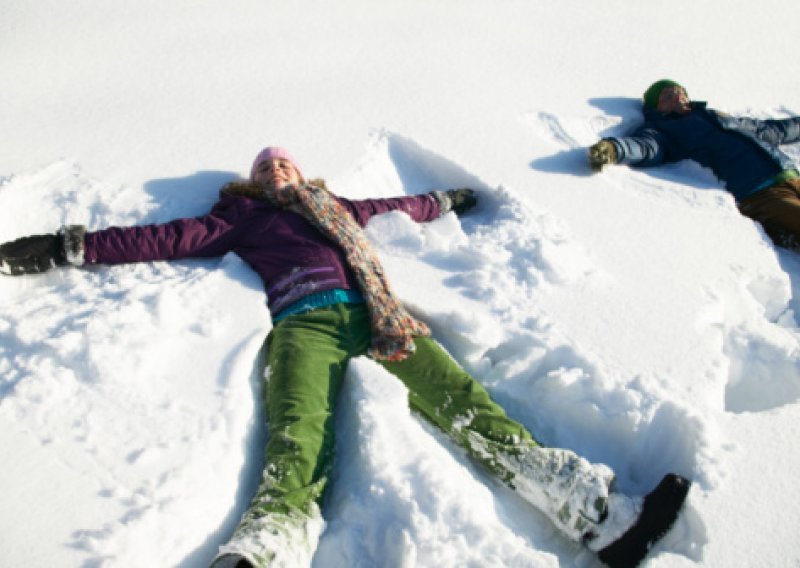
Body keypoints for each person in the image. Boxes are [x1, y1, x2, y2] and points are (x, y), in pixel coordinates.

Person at [0, 146, 690, 567]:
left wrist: (445, 200)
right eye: (264, 166)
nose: (275, 169)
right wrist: (68, 246)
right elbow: (159, 239)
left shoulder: (338, 207)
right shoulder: (238, 218)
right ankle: (263, 553)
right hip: (303, 326)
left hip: (380, 318)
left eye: (283, 162)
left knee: (466, 404)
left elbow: (401, 205)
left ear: (299, 169)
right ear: (253, 182)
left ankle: (603, 521)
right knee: (297, 437)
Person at [588, 80, 800, 249]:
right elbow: (645, 147)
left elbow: (772, 131)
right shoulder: (665, 130)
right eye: (667, 96)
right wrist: (614, 149)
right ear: (657, 107)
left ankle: (784, 234)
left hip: (791, 176)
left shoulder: (717, 117)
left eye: (680, 91)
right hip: (760, 194)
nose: (677, 96)